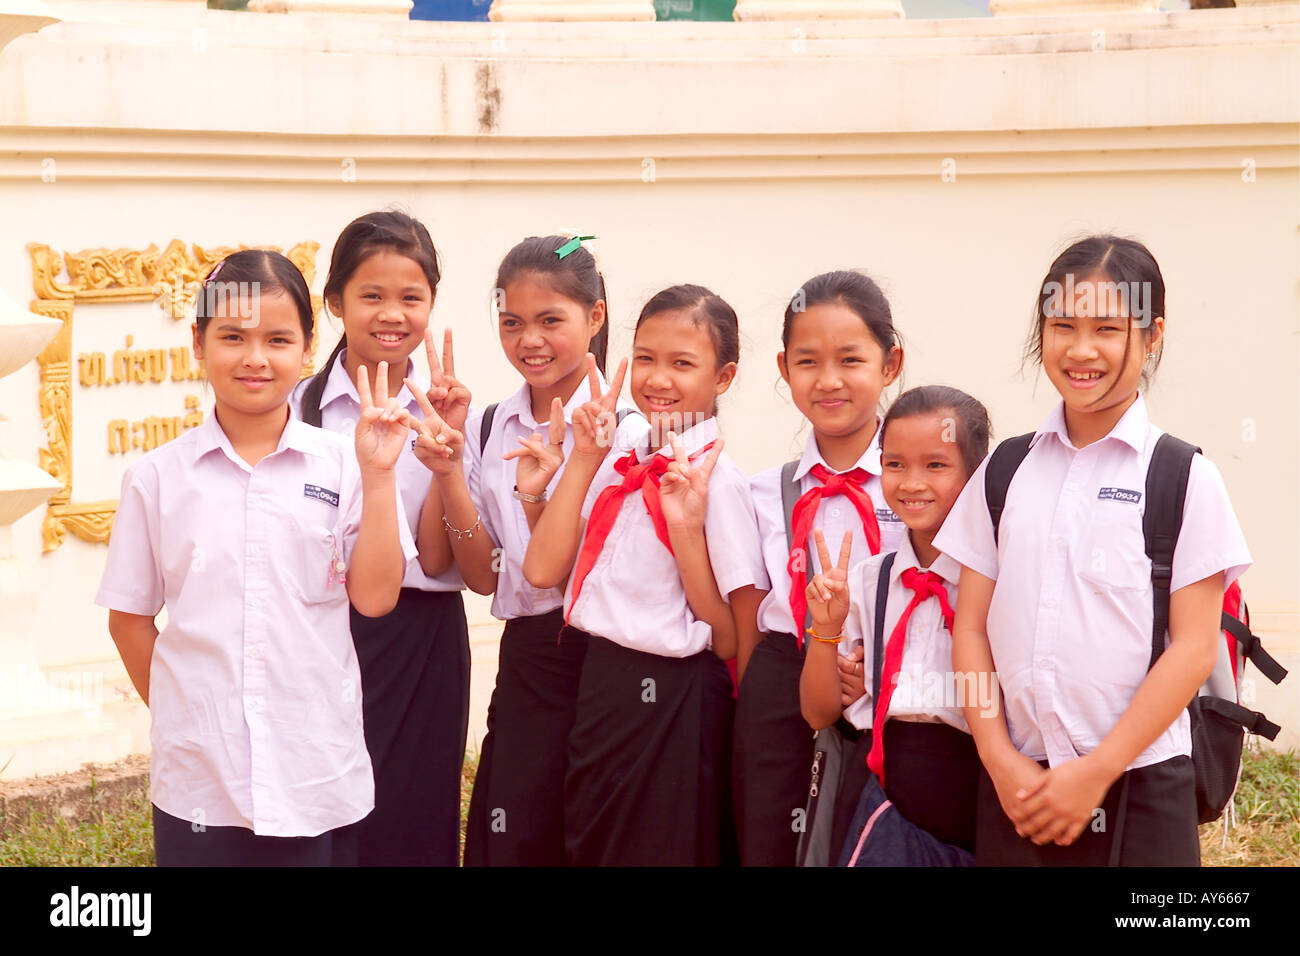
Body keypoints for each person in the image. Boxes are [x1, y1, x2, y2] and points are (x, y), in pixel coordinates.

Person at [936, 235, 1251, 865]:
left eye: (1108, 328)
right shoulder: (1005, 470)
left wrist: (1096, 772)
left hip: (1143, 787)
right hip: (1018, 790)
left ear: (1152, 335)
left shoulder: (1182, 476)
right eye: (1062, 326)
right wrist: (998, 759)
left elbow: (1192, 648)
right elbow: (969, 627)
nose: (1081, 350)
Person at [96, 250, 414, 866]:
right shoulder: (157, 478)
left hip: (314, 770)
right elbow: (129, 619)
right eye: (232, 337)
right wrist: (187, 723)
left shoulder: (348, 463)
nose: (255, 358)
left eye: (277, 338)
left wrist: (379, 478)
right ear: (198, 341)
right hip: (199, 786)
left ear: (308, 345)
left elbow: (375, 599)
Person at [520, 284, 767, 865]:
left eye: (683, 363)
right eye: (647, 358)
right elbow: (543, 572)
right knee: (594, 844)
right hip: (601, 682)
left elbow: (730, 635)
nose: (658, 379)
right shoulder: (619, 451)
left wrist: (684, 533)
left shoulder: (718, 481)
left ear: (723, 377)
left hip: (676, 698)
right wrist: (579, 459)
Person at [456, 235, 640, 866]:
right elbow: (482, 574)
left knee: (599, 834)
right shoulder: (486, 427)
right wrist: (447, 467)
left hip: (614, 659)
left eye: (550, 321)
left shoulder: (637, 433)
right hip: (533, 658)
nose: (529, 341)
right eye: (512, 323)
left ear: (595, 317)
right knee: (515, 832)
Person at [293, 210, 469, 866]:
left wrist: (444, 464)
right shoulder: (298, 409)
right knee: (328, 817)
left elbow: (454, 557)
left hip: (426, 642)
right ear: (335, 302)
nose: (392, 314)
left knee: (413, 819)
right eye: (371, 296)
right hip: (326, 632)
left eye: (411, 297)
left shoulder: (448, 410)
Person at [734, 270, 907, 866]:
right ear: (784, 369)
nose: (828, 380)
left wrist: (882, 673)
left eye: (851, 360)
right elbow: (747, 624)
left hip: (892, 697)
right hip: (782, 699)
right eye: (807, 361)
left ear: (890, 364)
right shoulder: (761, 494)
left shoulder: (922, 483)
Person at [801, 386, 991, 860]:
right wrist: (825, 632)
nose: (911, 483)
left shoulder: (996, 582)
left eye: (936, 465)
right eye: (895, 464)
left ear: (976, 475)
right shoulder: (871, 581)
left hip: (981, 796)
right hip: (888, 807)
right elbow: (819, 713)